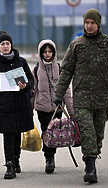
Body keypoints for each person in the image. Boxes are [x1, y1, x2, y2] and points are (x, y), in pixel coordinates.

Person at [54, 8, 108, 184]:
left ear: (98, 24)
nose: (89, 26)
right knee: (88, 132)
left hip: (101, 99)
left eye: (92, 23)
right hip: (81, 99)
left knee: (98, 134)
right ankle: (89, 167)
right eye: (87, 23)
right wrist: (59, 94)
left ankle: (93, 156)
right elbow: (66, 71)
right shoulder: (76, 45)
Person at [0, 30, 34, 179]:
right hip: (4, 106)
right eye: (2, 44)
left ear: (11, 45)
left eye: (7, 43)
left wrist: (25, 86)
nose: (5, 46)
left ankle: (16, 160)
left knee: (17, 133)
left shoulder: (21, 61)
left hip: (20, 104)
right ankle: (9, 165)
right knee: (8, 134)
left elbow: (31, 81)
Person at [31, 39, 74, 174]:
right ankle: (48, 158)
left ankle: (52, 155)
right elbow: (33, 90)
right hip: (42, 108)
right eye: (45, 52)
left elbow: (66, 91)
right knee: (46, 132)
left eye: (50, 51)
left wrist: (71, 111)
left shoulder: (60, 69)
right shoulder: (37, 70)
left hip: (57, 108)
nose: (48, 54)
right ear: (40, 53)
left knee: (55, 133)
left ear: (54, 53)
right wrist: (29, 110)